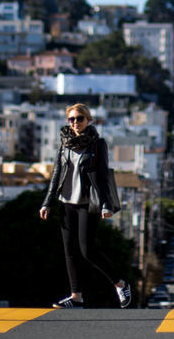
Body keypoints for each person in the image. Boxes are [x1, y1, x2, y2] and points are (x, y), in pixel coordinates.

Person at [39, 103, 131, 308]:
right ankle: (76, 297)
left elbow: (102, 175)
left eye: (79, 118)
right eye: (71, 119)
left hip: (87, 203)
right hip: (66, 202)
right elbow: (56, 174)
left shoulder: (97, 144)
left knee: (87, 250)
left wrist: (106, 205)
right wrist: (47, 202)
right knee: (69, 251)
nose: (75, 123)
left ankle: (120, 284)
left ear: (88, 120)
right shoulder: (64, 143)